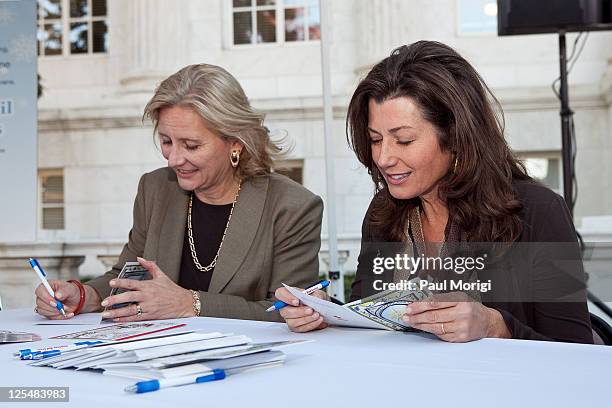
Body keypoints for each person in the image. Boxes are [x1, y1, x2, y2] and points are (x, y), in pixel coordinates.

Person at [275, 41, 594, 343]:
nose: (383, 158)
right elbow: (369, 320)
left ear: (455, 138)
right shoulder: (383, 214)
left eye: (404, 140)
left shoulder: (538, 212)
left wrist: (496, 326)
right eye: (375, 139)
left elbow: (577, 355)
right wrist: (326, 313)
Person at [35, 64, 323, 323]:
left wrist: (191, 304)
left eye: (191, 145)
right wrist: (84, 295)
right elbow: (128, 275)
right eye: (166, 141)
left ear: (235, 142)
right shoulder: (156, 188)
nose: (173, 159)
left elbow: (287, 312)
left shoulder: (293, 206)